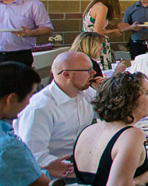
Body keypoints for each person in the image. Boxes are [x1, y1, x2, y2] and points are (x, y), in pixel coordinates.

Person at [15, 51, 96, 179]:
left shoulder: (86, 93)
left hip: (84, 163)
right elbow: (34, 156)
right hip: (57, 176)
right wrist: (79, 169)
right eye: (88, 70)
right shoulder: (40, 108)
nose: (93, 73)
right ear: (66, 74)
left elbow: (111, 113)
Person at [82, 0, 124, 64]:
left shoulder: (93, 4)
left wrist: (113, 27)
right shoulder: (102, 7)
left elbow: (97, 25)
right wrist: (114, 31)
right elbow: (98, 31)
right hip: (97, 44)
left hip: (90, 44)